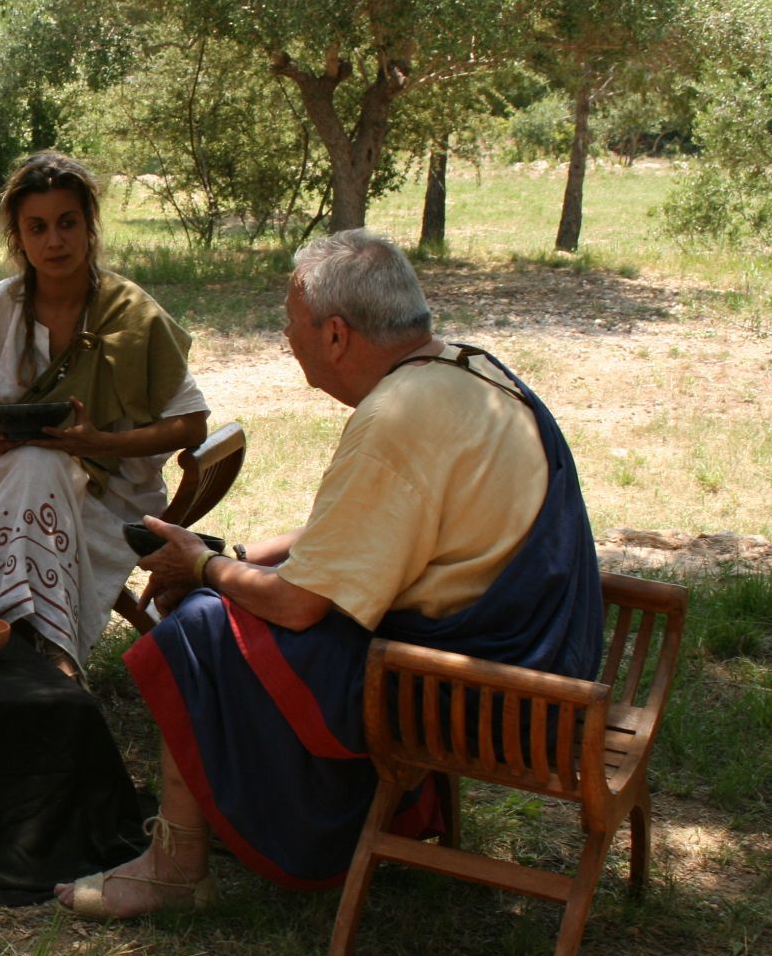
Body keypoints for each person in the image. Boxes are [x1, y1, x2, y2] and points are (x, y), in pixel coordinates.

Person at [58, 229, 604, 918]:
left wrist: (201, 565)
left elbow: (297, 607)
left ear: (337, 335)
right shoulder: (469, 370)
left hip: (481, 693)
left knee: (196, 624)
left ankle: (176, 863)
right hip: (554, 660)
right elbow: (352, 534)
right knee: (221, 594)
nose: (288, 337)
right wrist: (233, 555)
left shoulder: (396, 418)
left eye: (293, 324)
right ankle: (228, 809)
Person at [0, 151, 209, 676]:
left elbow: (192, 424)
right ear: (19, 237)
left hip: (113, 494)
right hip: (10, 481)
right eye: (37, 227)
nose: (54, 241)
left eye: (67, 223)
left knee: (40, 467)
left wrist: (102, 443)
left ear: (89, 225)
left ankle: (2, 644)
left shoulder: (132, 313)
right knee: (33, 465)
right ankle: (51, 656)